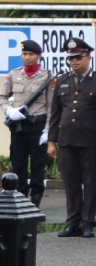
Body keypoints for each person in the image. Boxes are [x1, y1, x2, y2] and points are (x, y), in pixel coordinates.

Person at [47, 37, 96, 238]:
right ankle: (73, 222)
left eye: (78, 57)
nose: (74, 61)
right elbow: (55, 113)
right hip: (67, 140)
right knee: (71, 183)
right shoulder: (63, 81)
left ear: (88, 57)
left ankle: (88, 223)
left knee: (90, 182)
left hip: (91, 142)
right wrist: (51, 141)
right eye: (71, 58)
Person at [2, 38, 51, 206]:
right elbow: (2, 97)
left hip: (38, 124)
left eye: (31, 54)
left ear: (39, 56)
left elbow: (51, 105)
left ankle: (35, 200)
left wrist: (47, 130)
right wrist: (9, 110)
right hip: (19, 126)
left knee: (38, 165)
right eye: (24, 54)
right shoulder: (14, 74)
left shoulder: (47, 77)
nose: (27, 57)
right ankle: (21, 199)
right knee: (18, 163)